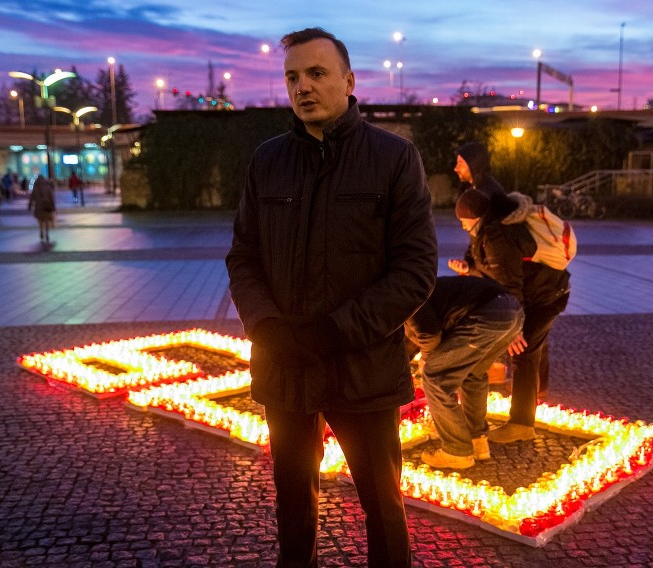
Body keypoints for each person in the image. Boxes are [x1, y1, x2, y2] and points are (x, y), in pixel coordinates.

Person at [226, 27, 437, 568]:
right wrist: (266, 328)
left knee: (383, 507)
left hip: (362, 369)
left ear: (348, 80)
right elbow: (243, 257)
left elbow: (414, 270)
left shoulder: (393, 158)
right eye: (292, 76)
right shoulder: (266, 160)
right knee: (292, 504)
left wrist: (334, 331)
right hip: (285, 368)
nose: (303, 87)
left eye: (316, 73)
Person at [449, 188, 570, 444]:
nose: (462, 226)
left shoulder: (496, 235)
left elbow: (510, 285)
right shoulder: (485, 231)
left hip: (545, 296)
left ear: (473, 216)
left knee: (524, 352)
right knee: (522, 351)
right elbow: (491, 267)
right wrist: (468, 267)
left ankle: (522, 425)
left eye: (463, 221)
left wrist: (515, 329)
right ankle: (522, 416)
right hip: (536, 293)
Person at [405, 276, 523, 469]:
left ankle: (456, 450)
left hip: (485, 314)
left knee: (435, 378)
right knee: (473, 374)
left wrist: (426, 360)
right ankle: (478, 441)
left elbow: (429, 335)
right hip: (511, 310)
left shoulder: (406, 298)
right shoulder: (417, 288)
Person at [28, 176, 57, 242]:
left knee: (40, 220)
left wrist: (29, 206)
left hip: (38, 207)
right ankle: (47, 233)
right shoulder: (48, 188)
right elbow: (52, 198)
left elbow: (32, 198)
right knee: (47, 221)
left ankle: (41, 231)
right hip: (47, 207)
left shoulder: (35, 188)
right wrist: (54, 208)